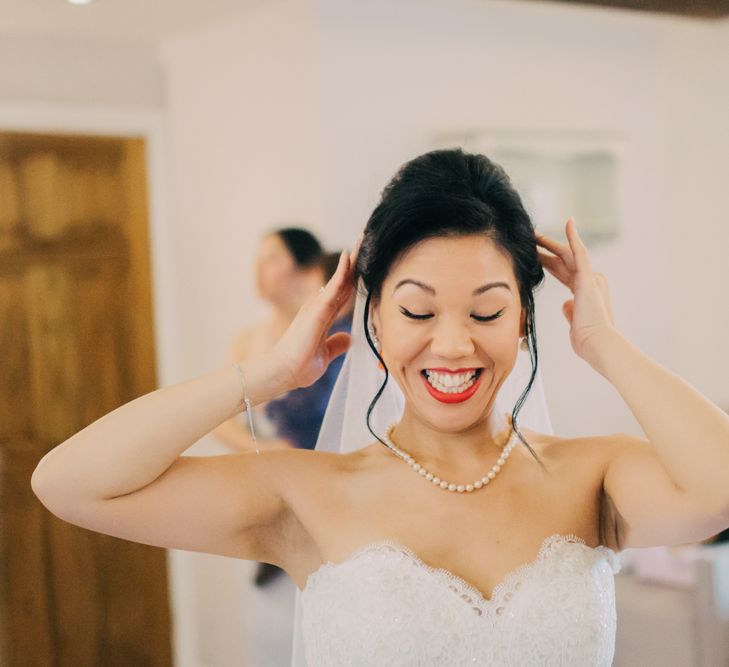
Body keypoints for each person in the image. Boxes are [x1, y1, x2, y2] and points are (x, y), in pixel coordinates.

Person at [30, 148, 729, 666]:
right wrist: (266, 372)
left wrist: (604, 342)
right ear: (374, 320)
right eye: (417, 309)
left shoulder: (592, 477)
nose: (452, 345)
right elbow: (69, 482)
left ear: (522, 318)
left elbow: (718, 486)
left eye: (486, 310)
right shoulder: (305, 493)